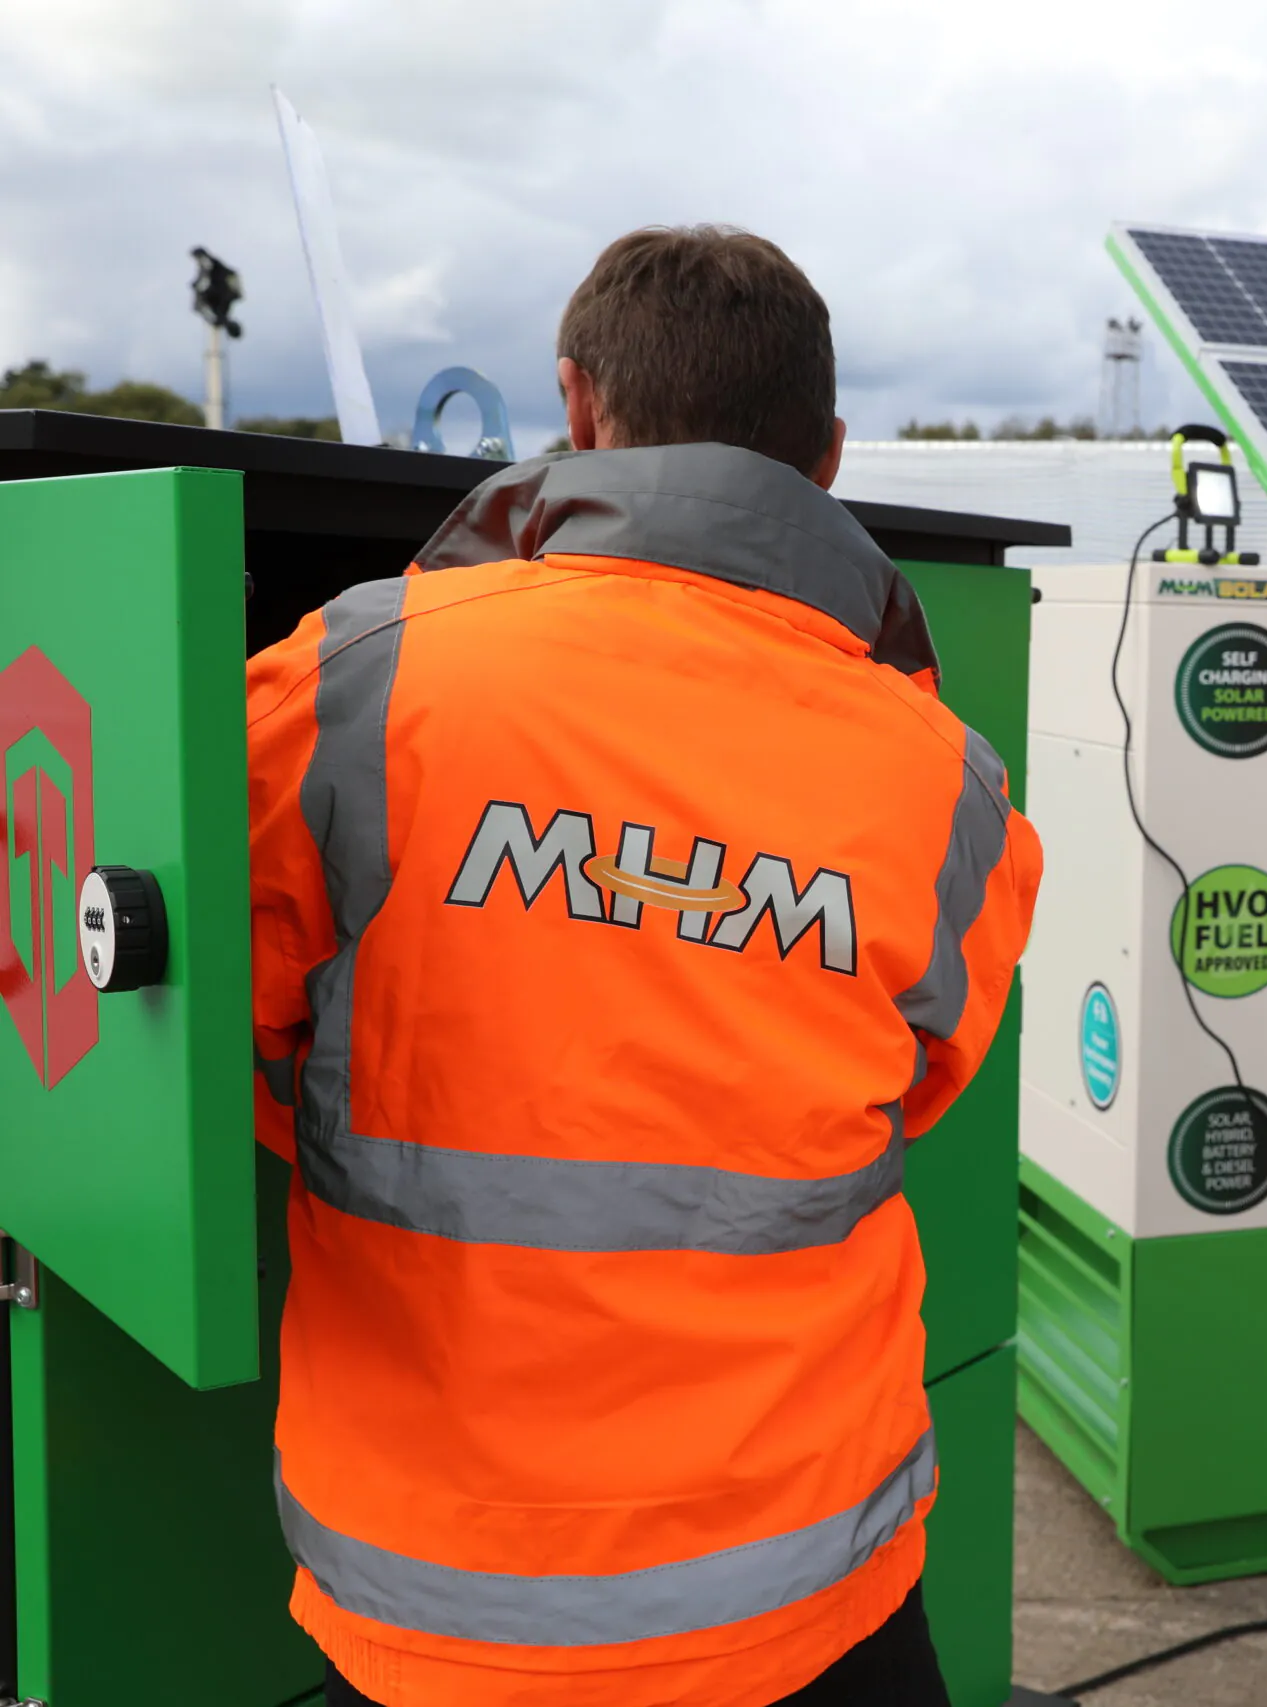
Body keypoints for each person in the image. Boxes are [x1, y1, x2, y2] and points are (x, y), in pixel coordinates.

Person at [246, 226, 1042, 1707]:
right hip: (809, 1581)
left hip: (438, 1592)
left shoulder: (352, 680)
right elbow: (919, 1083)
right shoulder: (949, 783)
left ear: (577, 405)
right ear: (831, 456)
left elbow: (214, 1027)